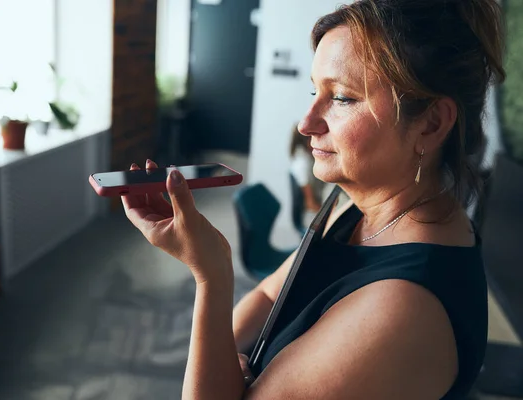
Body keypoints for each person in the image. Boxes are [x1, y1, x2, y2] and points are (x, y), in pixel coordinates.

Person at [121, 0, 505, 398]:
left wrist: (211, 275)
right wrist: (227, 362)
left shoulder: (400, 309)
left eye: (342, 98)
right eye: (315, 90)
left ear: (431, 123)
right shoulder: (357, 206)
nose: (306, 123)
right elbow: (272, 292)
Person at [289, 123, 325, 213]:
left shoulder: (307, 159)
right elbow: (310, 203)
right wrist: (331, 216)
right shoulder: (303, 165)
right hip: (311, 215)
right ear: (308, 141)